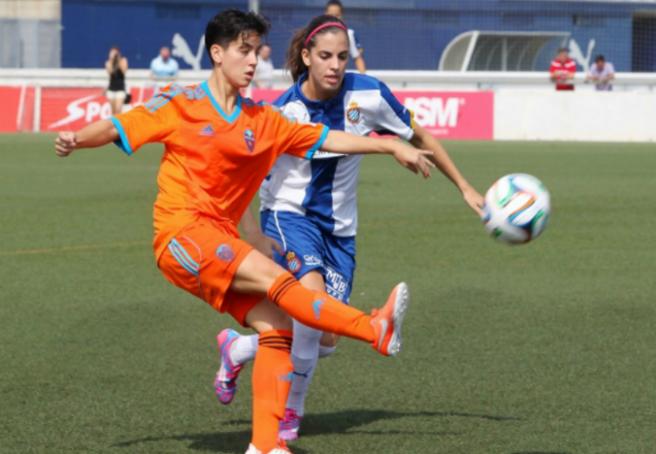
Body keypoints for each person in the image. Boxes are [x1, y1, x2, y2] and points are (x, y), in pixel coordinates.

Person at [54, 9, 435, 454]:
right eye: (243, 50)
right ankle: (373, 329)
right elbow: (121, 125)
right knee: (282, 284)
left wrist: (389, 145)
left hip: (220, 241)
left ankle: (265, 446)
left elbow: (325, 139)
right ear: (217, 53)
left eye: (257, 51)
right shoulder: (180, 104)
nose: (253, 60)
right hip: (182, 235)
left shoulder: (262, 120)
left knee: (277, 327)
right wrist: (77, 139)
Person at [212, 14, 484, 442]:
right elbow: (243, 175)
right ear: (306, 57)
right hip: (288, 217)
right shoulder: (285, 111)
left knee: (323, 339)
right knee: (312, 303)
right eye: (324, 56)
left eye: (341, 56)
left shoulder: (369, 93)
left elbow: (420, 137)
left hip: (340, 231)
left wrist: (465, 187)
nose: (335, 65)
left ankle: (237, 348)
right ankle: (289, 416)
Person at [325, 0, 366, 73]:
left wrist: (364, 79)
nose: (334, 18)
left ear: (342, 16)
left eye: (337, 15)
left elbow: (358, 59)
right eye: (331, 15)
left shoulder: (348, 35)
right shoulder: (317, 34)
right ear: (325, 15)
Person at [105, 46, 128, 115]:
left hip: (120, 89)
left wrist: (118, 60)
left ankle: (118, 125)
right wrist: (112, 60)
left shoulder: (123, 60)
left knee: (118, 110)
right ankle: (113, 125)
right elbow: (110, 72)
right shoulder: (108, 62)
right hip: (111, 89)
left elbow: (124, 71)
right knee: (113, 111)